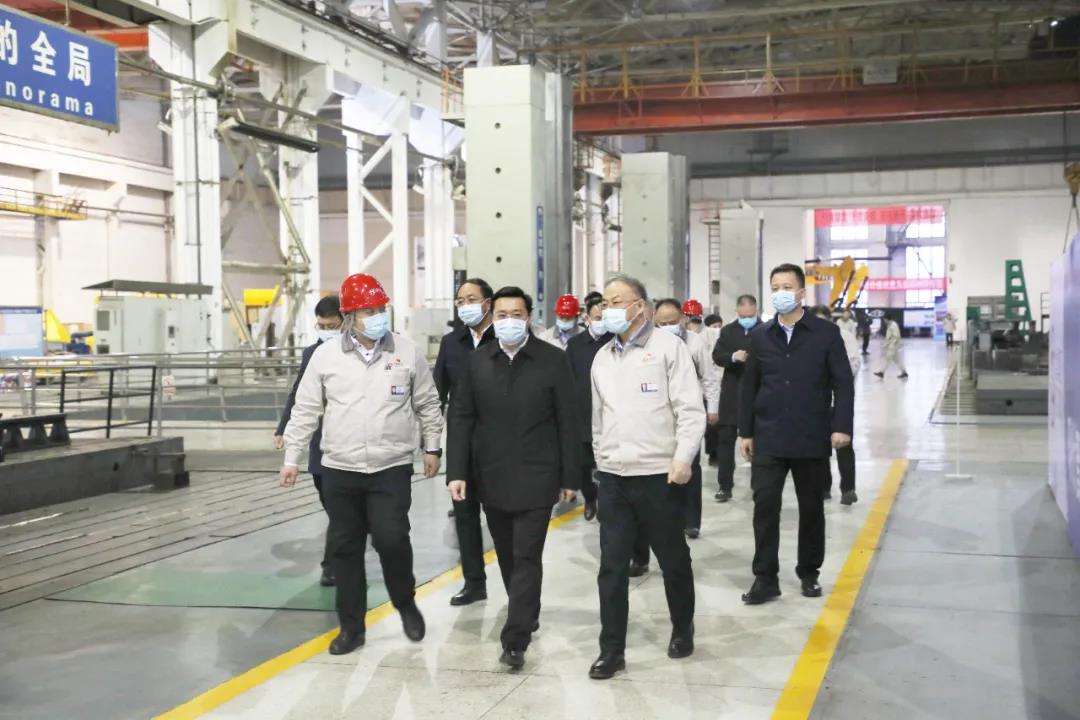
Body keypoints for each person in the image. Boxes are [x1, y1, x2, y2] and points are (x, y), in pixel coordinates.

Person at [279, 273, 443, 655]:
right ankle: (351, 627)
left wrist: (433, 447)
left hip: (391, 466)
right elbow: (305, 409)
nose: (377, 316)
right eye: (368, 310)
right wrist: (292, 458)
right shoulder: (325, 357)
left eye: (380, 308)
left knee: (391, 538)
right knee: (345, 549)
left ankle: (404, 601)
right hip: (340, 468)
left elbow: (428, 402)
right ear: (350, 315)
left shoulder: (406, 351)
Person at [447, 286, 581, 670]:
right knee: (507, 554)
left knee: (526, 555)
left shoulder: (553, 360)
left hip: (538, 475)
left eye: (516, 315)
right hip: (490, 475)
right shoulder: (476, 362)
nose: (509, 321)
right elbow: (461, 418)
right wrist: (457, 471)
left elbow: (568, 421)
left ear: (529, 317)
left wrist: (570, 476)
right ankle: (526, 610)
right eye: (502, 315)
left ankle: (515, 638)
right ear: (493, 317)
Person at [589, 274, 705, 680]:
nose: (608, 310)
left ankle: (682, 628)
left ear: (639, 306)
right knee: (612, 566)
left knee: (673, 558)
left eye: (616, 302)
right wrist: (601, 458)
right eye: (604, 303)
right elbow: (598, 418)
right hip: (614, 477)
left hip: (660, 475)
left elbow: (690, 409)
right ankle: (611, 650)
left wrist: (683, 457)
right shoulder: (602, 357)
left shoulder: (668, 349)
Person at [738, 264, 854, 606]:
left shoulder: (825, 333)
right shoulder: (761, 335)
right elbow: (749, 386)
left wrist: (841, 426)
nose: (780, 292)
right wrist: (746, 431)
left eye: (787, 286)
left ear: (802, 292)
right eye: (775, 287)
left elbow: (842, 383)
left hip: (810, 434)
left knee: (811, 507)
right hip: (769, 435)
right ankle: (765, 578)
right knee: (765, 506)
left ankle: (809, 572)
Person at [433, 278, 496, 607]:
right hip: (462, 445)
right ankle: (474, 583)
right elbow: (436, 394)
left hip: (501, 445)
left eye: (472, 298)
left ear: (488, 302)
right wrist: (432, 446)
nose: (465, 305)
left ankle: (519, 586)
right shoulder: (451, 343)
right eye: (460, 301)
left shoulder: (505, 337)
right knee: (465, 517)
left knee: (503, 518)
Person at [274, 295, 343, 587]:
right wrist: (284, 427)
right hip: (319, 442)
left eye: (332, 326)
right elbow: (298, 393)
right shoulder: (311, 354)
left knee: (340, 509)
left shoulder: (357, 352)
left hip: (347, 443)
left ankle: (332, 565)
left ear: (345, 322)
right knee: (331, 503)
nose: (326, 331)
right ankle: (349, 537)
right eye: (321, 326)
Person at [642, 299, 719, 547]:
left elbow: (709, 378)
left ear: (683, 319)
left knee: (689, 464)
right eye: (662, 323)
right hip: (658, 413)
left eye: (673, 322)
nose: (668, 326)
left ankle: (692, 520)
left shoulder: (695, 343)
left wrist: (712, 408)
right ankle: (664, 519)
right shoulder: (648, 342)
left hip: (688, 411)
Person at [565, 294, 612, 521]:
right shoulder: (575, 345)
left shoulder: (615, 341)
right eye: (597, 318)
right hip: (582, 413)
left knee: (606, 463)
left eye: (604, 318)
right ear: (587, 318)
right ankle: (590, 498)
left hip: (609, 413)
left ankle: (606, 502)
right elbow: (567, 377)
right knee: (584, 464)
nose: (601, 322)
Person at [711, 294, 761, 503]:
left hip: (758, 393)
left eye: (750, 315)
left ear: (756, 311)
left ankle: (758, 487)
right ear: (737, 312)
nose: (747, 319)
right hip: (732, 393)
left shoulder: (766, 330)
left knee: (759, 444)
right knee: (725, 441)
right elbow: (717, 356)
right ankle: (725, 486)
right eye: (743, 316)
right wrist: (733, 356)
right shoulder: (728, 331)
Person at [811, 305, 860, 506]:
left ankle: (848, 488)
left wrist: (834, 374)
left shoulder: (845, 337)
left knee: (844, 445)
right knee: (819, 447)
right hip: (816, 402)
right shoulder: (807, 340)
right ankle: (823, 488)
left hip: (839, 401)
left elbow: (854, 364)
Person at [701, 313, 724, 468]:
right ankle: (713, 453)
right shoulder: (702, 343)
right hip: (707, 391)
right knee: (711, 426)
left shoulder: (724, 341)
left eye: (719, 326)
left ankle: (720, 452)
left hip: (723, 389)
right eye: (714, 327)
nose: (717, 330)